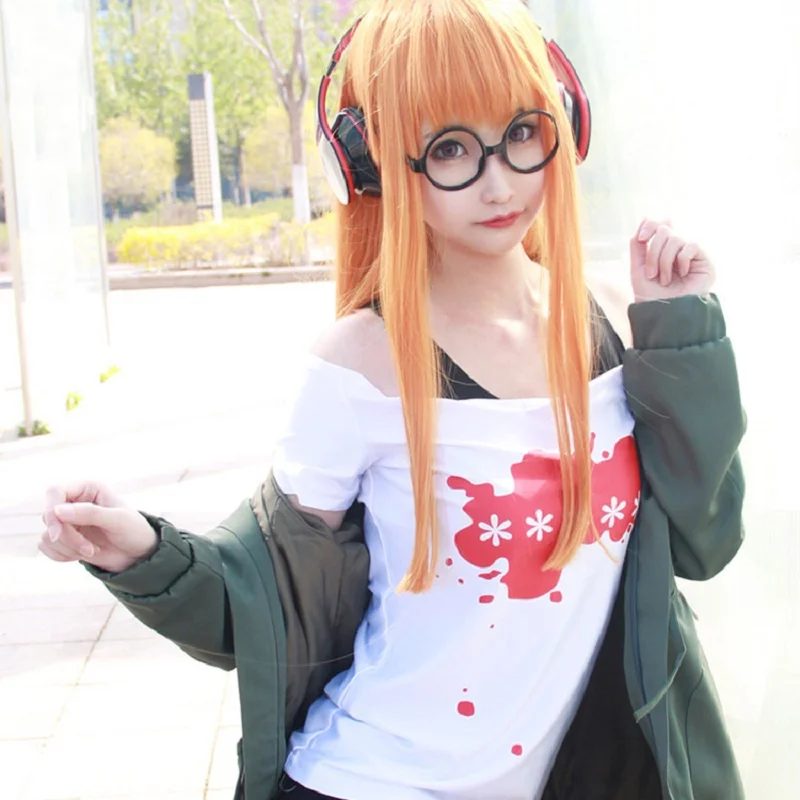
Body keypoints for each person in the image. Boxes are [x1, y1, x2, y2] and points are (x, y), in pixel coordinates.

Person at [38, 1, 747, 798]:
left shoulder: (619, 321)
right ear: (373, 164)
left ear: (565, 123)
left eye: (521, 131)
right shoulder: (360, 364)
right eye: (450, 149)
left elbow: (707, 540)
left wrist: (681, 329)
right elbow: (268, 597)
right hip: (375, 778)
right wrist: (140, 551)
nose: (499, 181)